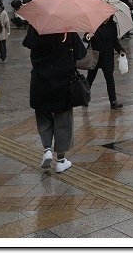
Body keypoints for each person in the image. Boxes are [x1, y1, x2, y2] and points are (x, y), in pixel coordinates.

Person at [23, 26, 86, 173]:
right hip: (62, 82)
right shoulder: (67, 29)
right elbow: (80, 54)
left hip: (40, 81)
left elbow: (27, 44)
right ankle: (61, 160)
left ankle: (47, 150)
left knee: (43, 116)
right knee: (63, 121)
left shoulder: (36, 28)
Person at [86, 17, 126, 110]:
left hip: (107, 56)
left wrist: (121, 50)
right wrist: (88, 36)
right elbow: (85, 38)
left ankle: (113, 102)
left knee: (110, 79)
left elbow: (115, 41)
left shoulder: (112, 25)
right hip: (95, 56)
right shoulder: (94, 24)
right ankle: (85, 98)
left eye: (109, 15)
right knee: (90, 78)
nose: (107, 17)